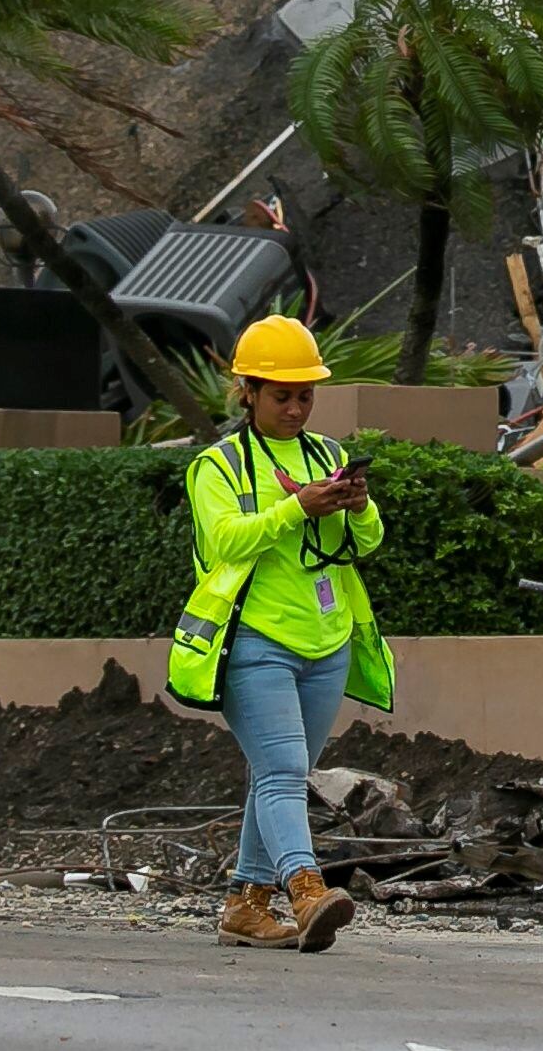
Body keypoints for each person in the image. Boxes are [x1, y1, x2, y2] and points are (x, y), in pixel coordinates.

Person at [162, 316, 397, 952]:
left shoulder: (328, 455)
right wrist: (297, 508)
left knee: (277, 776)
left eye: (305, 396)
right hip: (253, 642)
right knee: (286, 773)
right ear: (248, 393)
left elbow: (368, 543)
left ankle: (246, 903)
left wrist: (357, 504)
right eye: (281, 395)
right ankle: (307, 889)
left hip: (326, 641)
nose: (296, 408)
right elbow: (224, 542)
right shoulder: (218, 466)